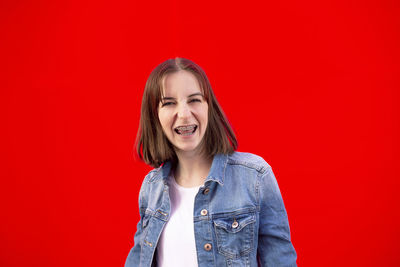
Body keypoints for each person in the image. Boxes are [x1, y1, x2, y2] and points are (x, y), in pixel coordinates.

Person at [125, 57, 297, 267]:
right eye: (169, 103)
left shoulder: (255, 177)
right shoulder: (151, 188)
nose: (184, 114)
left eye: (194, 100)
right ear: (155, 116)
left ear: (209, 107)